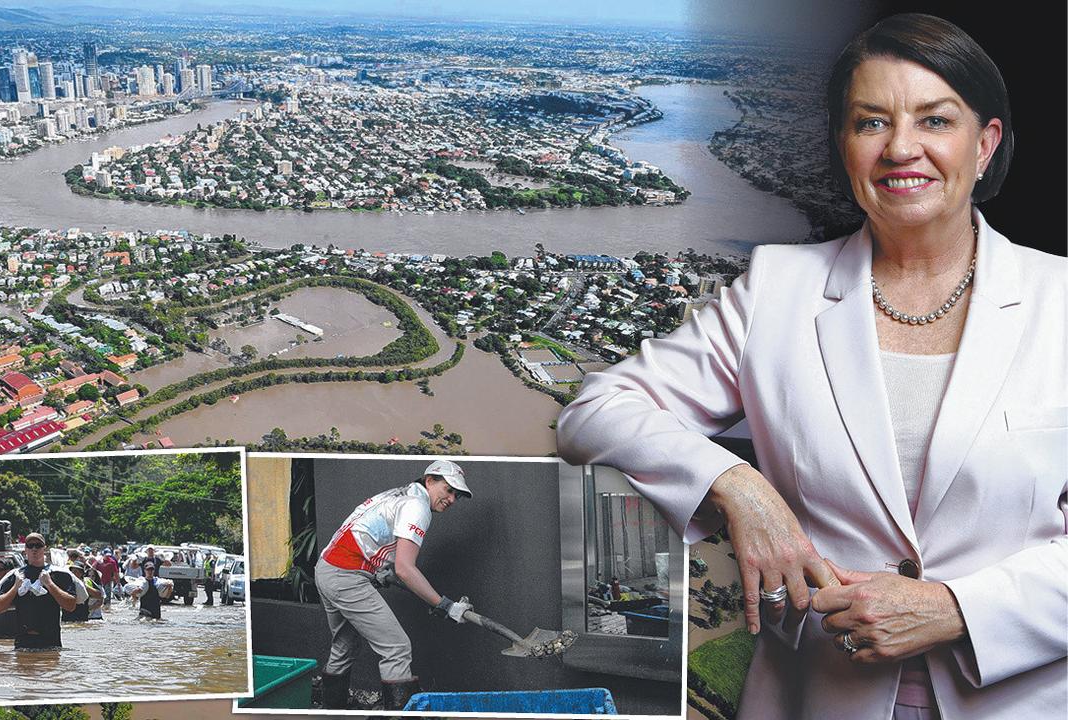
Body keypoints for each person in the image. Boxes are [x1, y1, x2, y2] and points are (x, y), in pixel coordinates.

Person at [557, 14, 1065, 720]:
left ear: (985, 145)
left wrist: (957, 608)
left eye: (935, 120)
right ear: (844, 146)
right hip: (817, 698)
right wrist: (736, 484)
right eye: (871, 123)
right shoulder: (778, 289)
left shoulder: (1060, 302)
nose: (901, 149)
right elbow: (595, 410)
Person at [314, 459, 475, 711]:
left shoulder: (399, 495)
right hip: (346, 576)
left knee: (346, 644)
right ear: (430, 480)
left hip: (327, 569)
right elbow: (405, 569)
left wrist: (376, 568)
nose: (452, 499)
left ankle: (333, 712)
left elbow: (367, 537)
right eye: (448, 490)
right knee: (397, 648)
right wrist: (446, 606)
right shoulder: (417, 506)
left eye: (457, 495)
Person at [0, 533, 79, 650]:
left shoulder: (59, 574)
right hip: (22, 643)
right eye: (30, 545)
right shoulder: (16, 575)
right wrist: (15, 587)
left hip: (50, 644)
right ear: (25, 550)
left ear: (45, 548)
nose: (34, 549)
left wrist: (50, 584)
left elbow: (71, 605)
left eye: (38, 545)